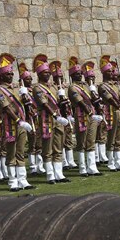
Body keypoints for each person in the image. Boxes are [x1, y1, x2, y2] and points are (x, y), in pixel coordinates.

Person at [0, 53, 33, 191]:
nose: (10, 76)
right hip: (10, 124)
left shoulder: (17, 87)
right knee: (11, 152)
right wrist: (18, 120)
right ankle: (12, 181)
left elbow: (25, 105)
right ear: (2, 76)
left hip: (22, 123)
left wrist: (25, 95)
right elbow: (6, 107)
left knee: (21, 151)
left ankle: (22, 180)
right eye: (8, 74)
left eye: (11, 73)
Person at [32, 54, 69, 183]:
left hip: (58, 119)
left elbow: (59, 103)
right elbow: (44, 103)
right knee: (47, 149)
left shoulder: (54, 87)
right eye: (44, 73)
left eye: (48, 72)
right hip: (46, 119)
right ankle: (50, 174)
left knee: (58, 146)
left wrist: (62, 99)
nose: (47, 75)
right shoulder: (37, 87)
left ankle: (59, 174)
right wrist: (55, 115)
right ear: (39, 74)